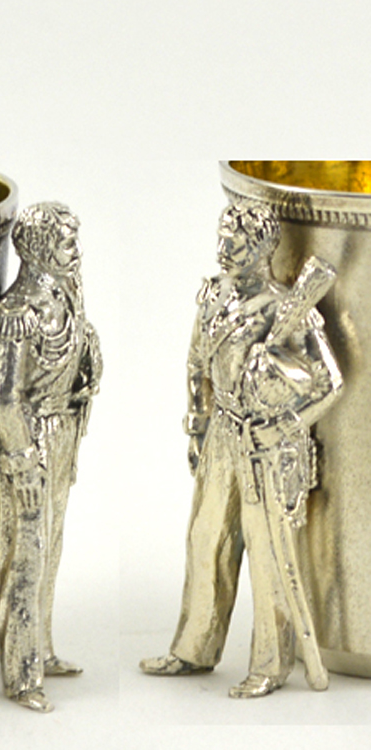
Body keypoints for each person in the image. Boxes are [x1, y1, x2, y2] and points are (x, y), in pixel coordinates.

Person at [140, 203, 343, 698]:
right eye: (222, 235)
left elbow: (329, 384)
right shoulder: (213, 296)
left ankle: (271, 665)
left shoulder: (288, 307)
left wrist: (283, 427)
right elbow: (197, 365)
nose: (223, 247)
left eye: (235, 240)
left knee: (268, 552)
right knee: (205, 537)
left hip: (266, 446)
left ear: (262, 248)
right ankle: (194, 648)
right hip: (222, 435)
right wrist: (197, 426)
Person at [0, 202, 102, 712]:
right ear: (38, 250)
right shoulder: (16, 315)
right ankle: (21, 675)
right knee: (23, 556)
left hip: (60, 430)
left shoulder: (66, 295)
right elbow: (4, 398)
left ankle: (41, 649)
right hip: (23, 440)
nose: (77, 252)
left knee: (49, 546)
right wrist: (23, 460)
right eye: (67, 243)